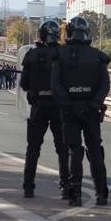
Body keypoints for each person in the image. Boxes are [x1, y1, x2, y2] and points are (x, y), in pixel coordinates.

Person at [51, 16, 110, 207]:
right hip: (91, 110)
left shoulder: (60, 54)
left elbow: (55, 85)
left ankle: (75, 193)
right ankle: (101, 193)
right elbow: (105, 85)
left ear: (69, 32)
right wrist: (94, 104)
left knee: (74, 151)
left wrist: (68, 103)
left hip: (70, 110)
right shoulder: (97, 55)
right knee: (95, 150)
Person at [20, 21, 69, 199]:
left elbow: (23, 84)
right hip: (59, 107)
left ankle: (28, 186)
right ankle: (66, 185)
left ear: (41, 35)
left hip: (38, 106)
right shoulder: (64, 53)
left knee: (33, 148)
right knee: (63, 148)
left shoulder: (32, 55)